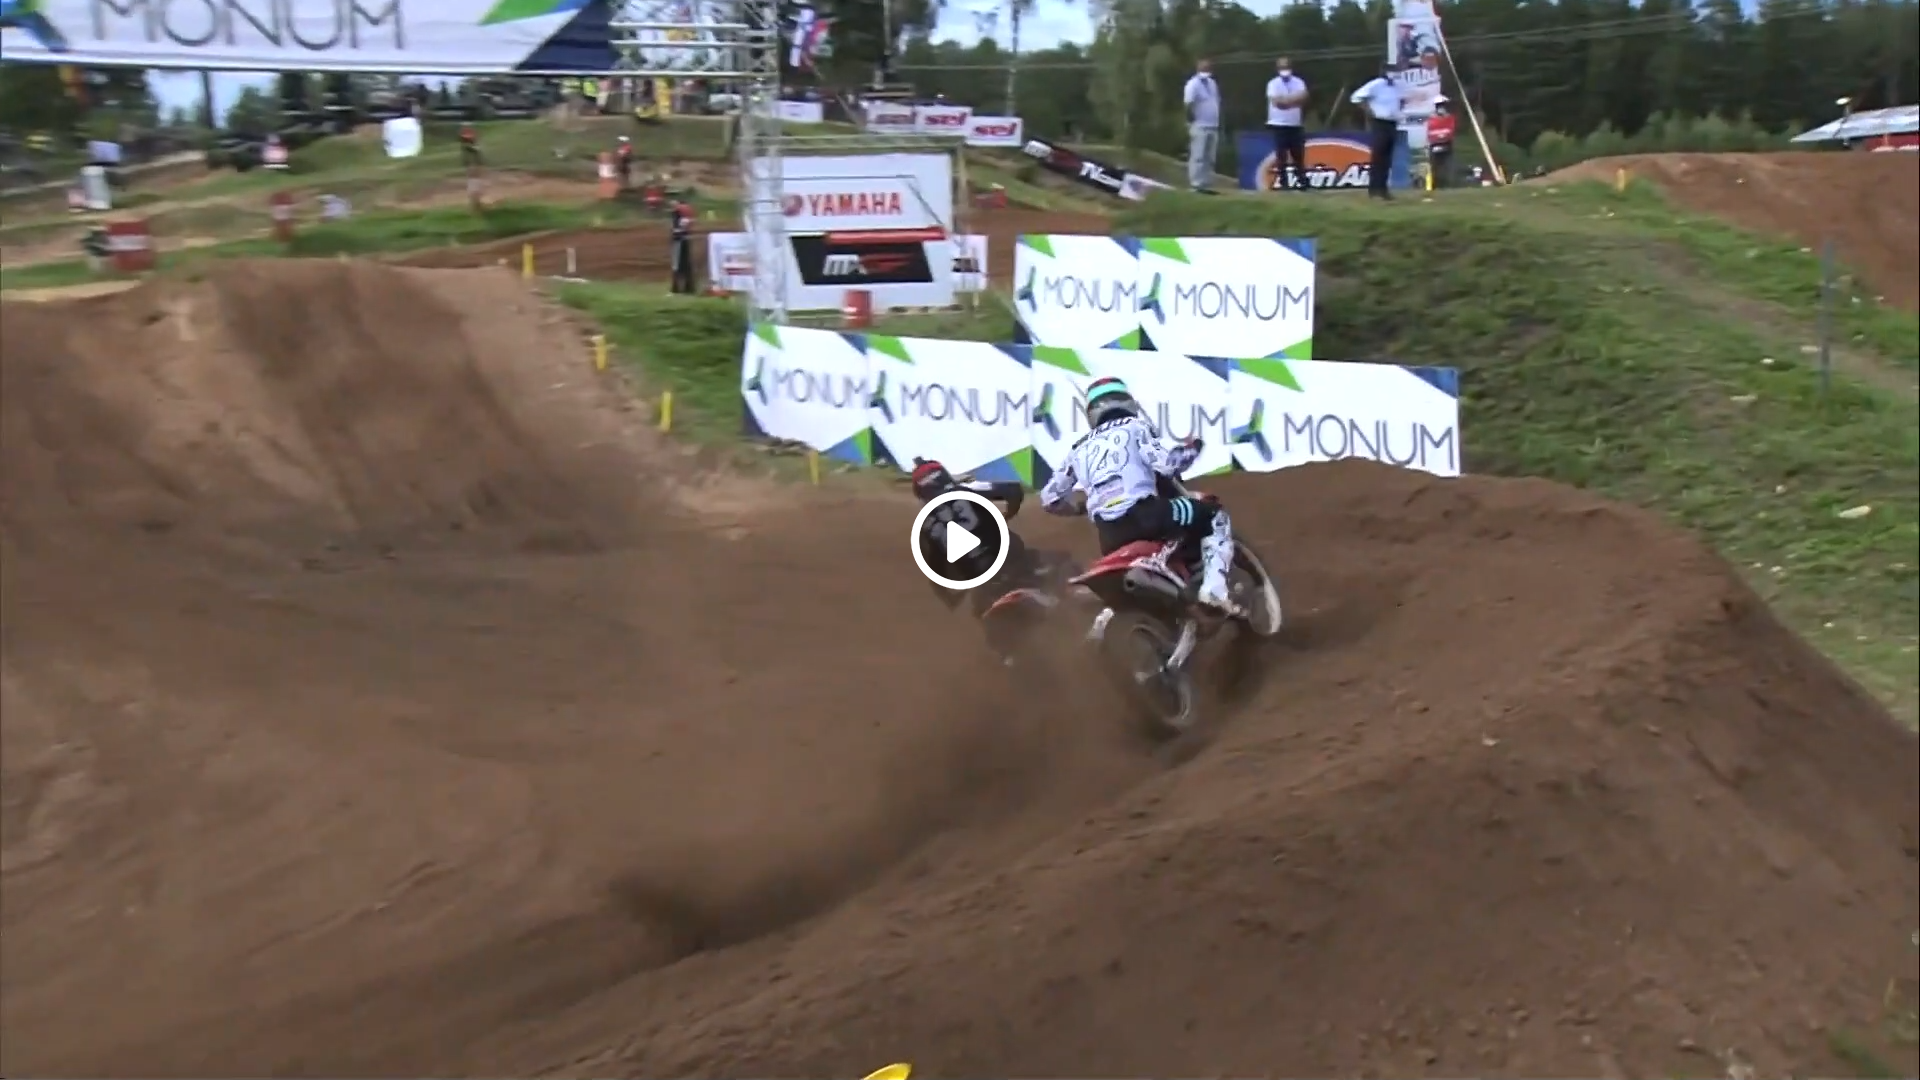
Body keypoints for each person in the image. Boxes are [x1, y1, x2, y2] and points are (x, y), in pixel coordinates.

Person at [1038, 377, 1240, 615]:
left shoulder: (1077, 450)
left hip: (1109, 536)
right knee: (1214, 516)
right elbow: (1168, 465)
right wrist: (1192, 448)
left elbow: (1050, 498)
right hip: (1147, 516)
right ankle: (1214, 592)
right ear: (1127, 401)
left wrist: (1077, 509)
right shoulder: (1135, 427)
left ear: (1091, 412)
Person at [909, 460, 1079, 654]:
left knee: (984, 616)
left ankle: (1008, 656)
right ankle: (1086, 611)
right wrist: (1008, 514)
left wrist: (953, 599)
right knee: (1063, 562)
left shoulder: (925, 527)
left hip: (984, 586)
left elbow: (936, 576)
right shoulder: (966, 489)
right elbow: (1014, 490)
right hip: (1015, 561)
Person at [1350, 64, 1404, 201]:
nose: (1395, 74)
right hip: (1380, 122)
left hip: (1392, 123)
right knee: (1378, 156)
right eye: (1392, 71)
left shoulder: (1396, 87)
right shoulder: (1377, 84)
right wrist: (1369, 111)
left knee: (1387, 158)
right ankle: (1374, 190)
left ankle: (1383, 190)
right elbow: (1356, 97)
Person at [1265, 57, 1309, 191]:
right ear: (1277, 69)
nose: (1285, 70)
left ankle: (1302, 182)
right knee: (1281, 155)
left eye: (1286, 67)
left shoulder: (1299, 82)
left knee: (1298, 155)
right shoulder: (1273, 83)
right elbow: (1277, 103)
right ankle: (1284, 183)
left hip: (1295, 124)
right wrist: (1293, 100)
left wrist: (1287, 100)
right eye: (1282, 67)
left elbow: (1303, 97)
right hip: (1278, 124)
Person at [1181, 59, 1221, 194]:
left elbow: (1215, 101)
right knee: (1198, 156)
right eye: (1205, 69)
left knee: (1210, 157)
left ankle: (1206, 183)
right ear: (1198, 69)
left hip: (1213, 124)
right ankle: (1196, 184)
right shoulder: (1193, 84)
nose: (1207, 71)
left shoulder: (1212, 83)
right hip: (1199, 125)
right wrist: (1191, 121)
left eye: (1209, 69)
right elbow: (1188, 104)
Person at [668, 201, 695, 294]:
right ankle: (689, 288)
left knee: (676, 265)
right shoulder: (685, 215)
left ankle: (675, 289)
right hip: (685, 240)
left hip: (678, 241)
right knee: (686, 265)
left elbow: (677, 229)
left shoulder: (677, 215)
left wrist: (675, 232)